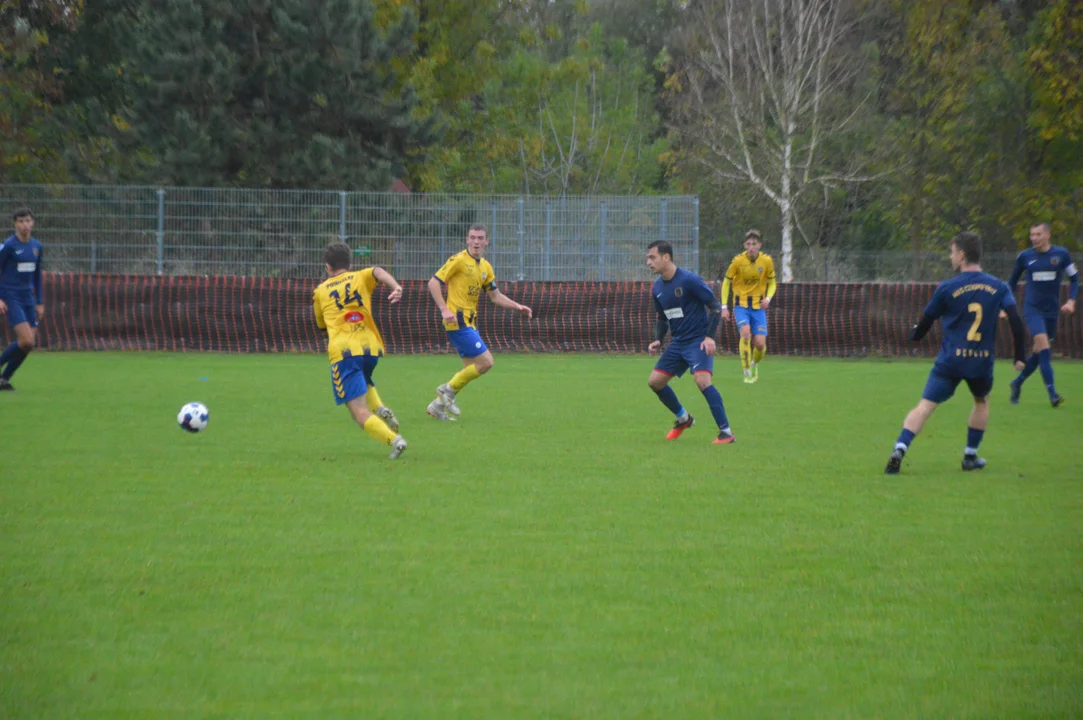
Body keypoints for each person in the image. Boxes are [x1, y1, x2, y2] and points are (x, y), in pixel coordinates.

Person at [885, 232, 1026, 474]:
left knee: (926, 406)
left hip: (950, 361)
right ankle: (970, 456)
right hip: (980, 362)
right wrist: (1019, 355)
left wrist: (915, 336)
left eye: (952, 252)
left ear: (961, 255)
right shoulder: (999, 287)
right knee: (981, 402)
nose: (950, 257)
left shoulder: (948, 287)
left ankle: (900, 448)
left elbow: (926, 321)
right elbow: (1015, 321)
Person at [425, 223, 532, 420]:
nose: (476, 242)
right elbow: (433, 283)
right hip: (457, 320)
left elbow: (495, 296)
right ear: (467, 240)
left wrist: (517, 305)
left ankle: (437, 406)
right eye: (472, 237)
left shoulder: (485, 267)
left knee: (469, 370)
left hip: (470, 322)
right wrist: (443, 309)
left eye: (480, 238)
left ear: (486, 241)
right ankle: (445, 390)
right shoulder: (458, 260)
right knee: (486, 362)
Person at [313, 242, 407, 459]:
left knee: (358, 411)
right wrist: (396, 287)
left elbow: (321, 326)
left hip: (344, 351)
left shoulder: (320, 292)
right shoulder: (361, 276)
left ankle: (395, 440)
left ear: (327, 266)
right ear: (350, 263)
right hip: (370, 347)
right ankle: (381, 409)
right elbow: (378, 271)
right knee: (363, 379)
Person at [646, 240, 736, 444]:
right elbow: (662, 317)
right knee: (655, 382)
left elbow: (714, 307)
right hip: (678, 343)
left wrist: (710, 337)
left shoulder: (689, 280)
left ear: (666, 257)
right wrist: (658, 340)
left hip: (698, 340)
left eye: (652, 257)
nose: (648, 262)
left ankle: (726, 433)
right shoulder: (657, 287)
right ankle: (683, 418)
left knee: (702, 381)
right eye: (647, 258)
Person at [1005, 222, 1078, 407]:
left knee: (1039, 354)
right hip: (1032, 309)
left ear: (1048, 235)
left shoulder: (1061, 254)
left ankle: (1017, 382)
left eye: (1038, 234)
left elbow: (1075, 279)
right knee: (1045, 349)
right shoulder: (1025, 257)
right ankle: (1053, 394)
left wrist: (1071, 301)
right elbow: (1011, 283)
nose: (1034, 238)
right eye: (1032, 235)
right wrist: (1004, 306)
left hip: (1052, 311)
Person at [719, 229, 777, 383]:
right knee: (745, 334)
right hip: (741, 305)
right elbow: (726, 282)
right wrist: (724, 306)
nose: (751, 247)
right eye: (749, 244)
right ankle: (746, 372)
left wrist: (769, 298)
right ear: (745, 245)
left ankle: (754, 363)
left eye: (754, 244)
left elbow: (772, 283)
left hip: (758, 307)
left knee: (760, 345)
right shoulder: (738, 261)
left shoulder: (766, 261)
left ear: (760, 245)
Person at [0, 207, 45, 391]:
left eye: (27, 221)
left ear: (33, 222)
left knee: (28, 345)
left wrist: (40, 302)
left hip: (28, 298)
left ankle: (4, 379)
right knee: (25, 340)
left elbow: (37, 276)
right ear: (15, 224)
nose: (25, 225)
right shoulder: (9, 246)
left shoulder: (36, 247)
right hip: (11, 296)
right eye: (20, 221)